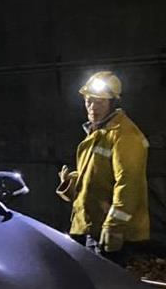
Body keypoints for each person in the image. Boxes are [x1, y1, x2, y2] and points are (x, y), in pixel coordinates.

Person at [57, 70, 149, 262]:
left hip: (106, 232)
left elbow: (129, 185)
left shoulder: (124, 135)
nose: (92, 107)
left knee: (106, 288)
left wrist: (113, 227)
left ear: (113, 103)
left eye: (100, 102)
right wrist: (71, 182)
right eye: (89, 100)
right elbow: (95, 176)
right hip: (89, 227)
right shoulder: (99, 133)